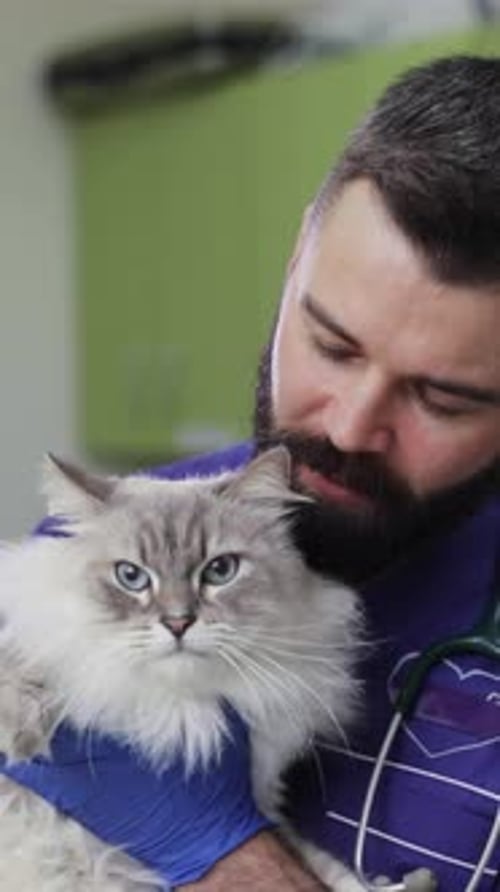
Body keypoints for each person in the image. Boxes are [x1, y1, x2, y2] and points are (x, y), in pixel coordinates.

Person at [4, 53, 500, 890]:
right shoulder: (103, 543)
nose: (348, 426)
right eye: (331, 345)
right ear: (296, 259)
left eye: (441, 398)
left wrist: (227, 857)